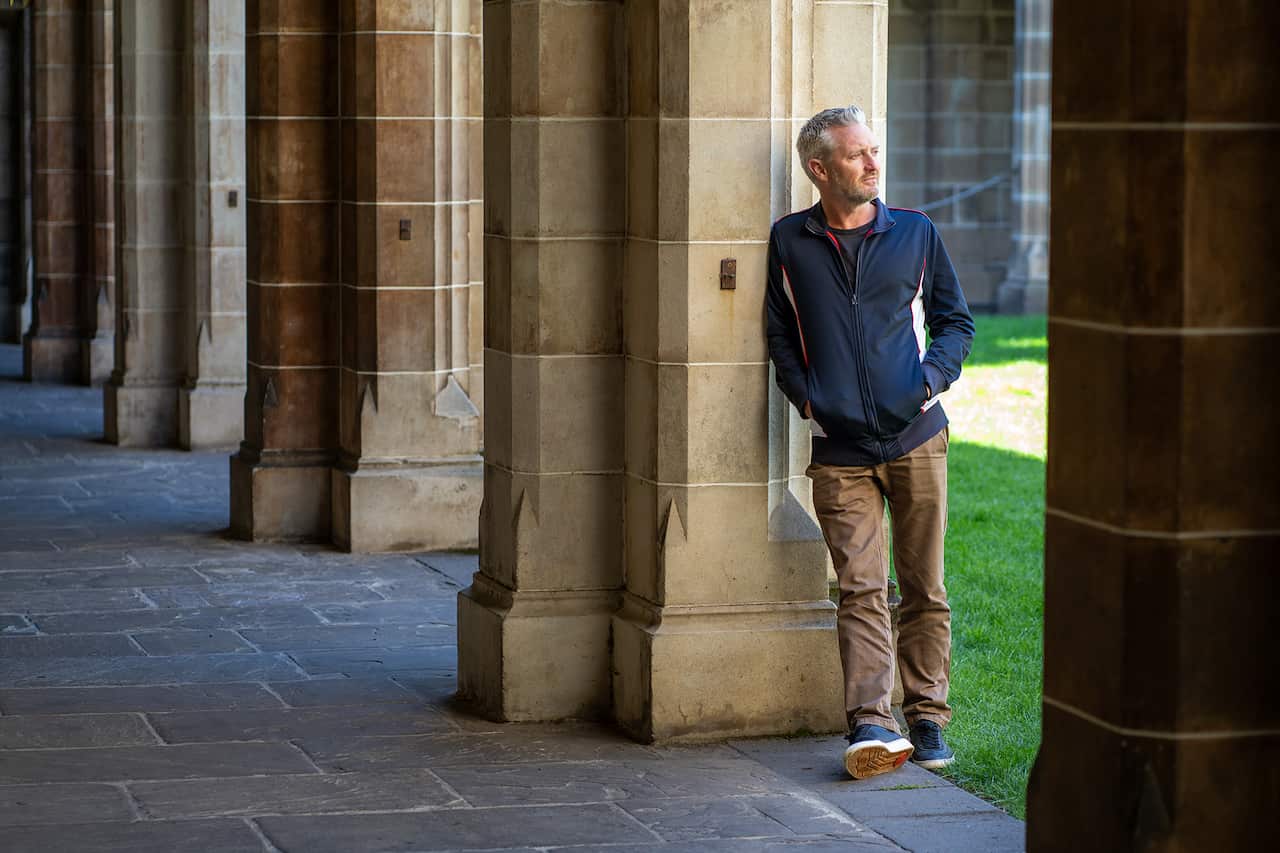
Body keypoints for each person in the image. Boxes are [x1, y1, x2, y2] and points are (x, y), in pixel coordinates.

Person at [765, 105, 975, 780]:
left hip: (916, 437)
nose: (874, 163)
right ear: (820, 169)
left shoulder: (915, 232)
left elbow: (955, 322)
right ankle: (871, 722)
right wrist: (809, 398)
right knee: (859, 588)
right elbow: (778, 335)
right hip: (840, 453)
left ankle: (928, 717)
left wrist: (927, 383)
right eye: (858, 155)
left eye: (875, 151)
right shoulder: (790, 242)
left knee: (924, 586)